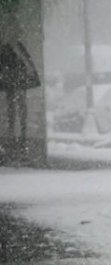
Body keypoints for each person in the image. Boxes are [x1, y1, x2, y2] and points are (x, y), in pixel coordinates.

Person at [0, 6, 41, 164]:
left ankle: (18, 142)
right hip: (15, 82)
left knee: (18, 111)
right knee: (15, 111)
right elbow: (25, 65)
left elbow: (28, 65)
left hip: (17, 82)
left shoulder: (15, 47)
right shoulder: (8, 49)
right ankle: (15, 143)